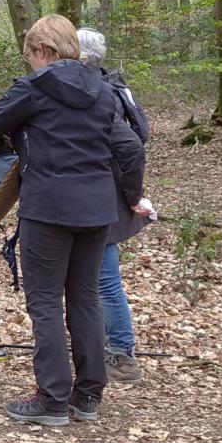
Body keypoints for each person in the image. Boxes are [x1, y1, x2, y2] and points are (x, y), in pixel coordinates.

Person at [0, 15, 146, 425]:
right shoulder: (103, 90)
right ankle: (87, 397)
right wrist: (131, 197)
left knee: (45, 302)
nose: (29, 61)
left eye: (30, 53)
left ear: (43, 51)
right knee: (84, 298)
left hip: (48, 209)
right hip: (97, 211)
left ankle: (51, 400)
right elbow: (131, 149)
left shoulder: (33, 88)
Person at [78, 27, 153, 384]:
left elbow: (130, 149)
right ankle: (108, 347)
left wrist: (133, 196)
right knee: (98, 280)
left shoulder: (98, 94)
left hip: (101, 200)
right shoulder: (106, 87)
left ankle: (122, 355)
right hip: (99, 198)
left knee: (106, 281)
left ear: (81, 58)